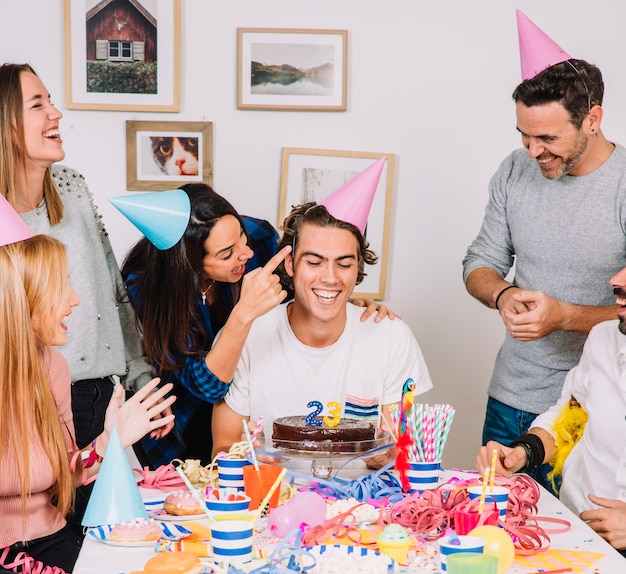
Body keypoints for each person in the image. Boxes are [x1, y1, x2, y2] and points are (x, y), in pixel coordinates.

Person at [462, 11, 626, 490]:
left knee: (574, 545)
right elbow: (480, 263)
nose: (532, 152)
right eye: (524, 135)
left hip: (595, 411)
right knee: (496, 529)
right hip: (511, 398)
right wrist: (502, 296)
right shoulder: (514, 171)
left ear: (592, 119)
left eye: (548, 138)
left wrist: (563, 316)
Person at [118, 183, 392, 468]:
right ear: (189, 263)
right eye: (227, 254)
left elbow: (303, 282)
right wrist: (243, 313)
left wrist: (342, 301)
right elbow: (207, 387)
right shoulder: (150, 290)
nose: (245, 254)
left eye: (240, 235)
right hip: (180, 419)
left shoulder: (258, 240)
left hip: (238, 401)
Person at [0, 215, 175, 574]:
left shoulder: (52, 366)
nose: (75, 300)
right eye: (61, 287)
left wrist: (110, 440)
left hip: (50, 538)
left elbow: (64, 475)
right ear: (19, 297)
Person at [211, 159, 432, 469]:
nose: (330, 277)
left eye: (343, 264)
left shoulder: (392, 338)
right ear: (290, 265)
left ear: (358, 268)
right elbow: (221, 446)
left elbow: (402, 448)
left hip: (364, 512)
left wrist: (389, 456)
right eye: (314, 262)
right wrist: (245, 458)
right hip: (271, 508)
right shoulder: (247, 336)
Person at [476, 264, 626, 555]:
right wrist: (521, 453)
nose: (615, 280)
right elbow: (571, 417)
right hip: (578, 535)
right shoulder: (603, 338)